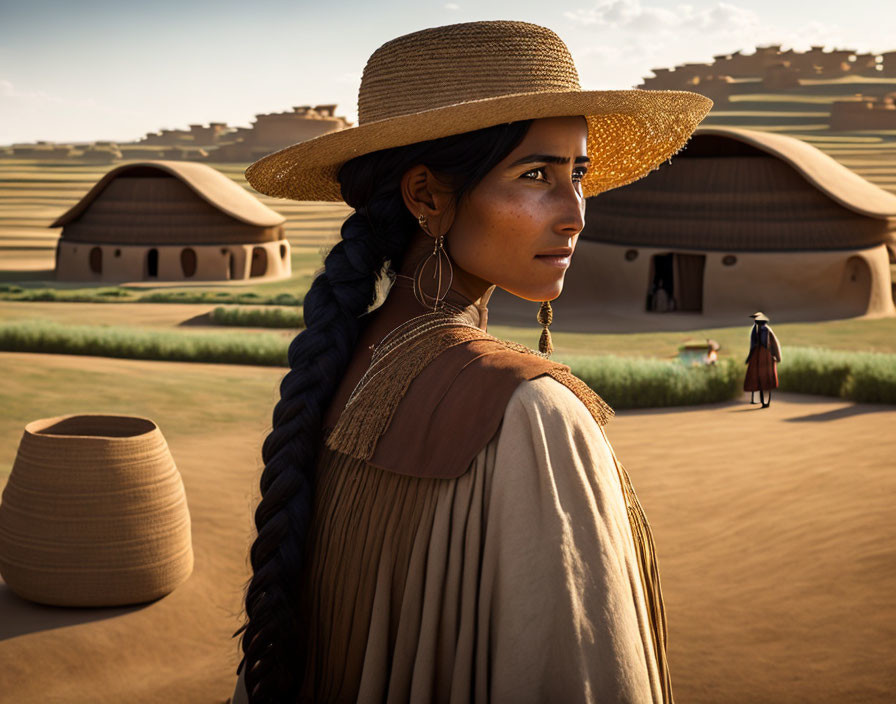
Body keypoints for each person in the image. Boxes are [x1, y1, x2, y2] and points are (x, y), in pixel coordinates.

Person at [231, 20, 711, 704]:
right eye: (537, 174)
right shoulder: (531, 415)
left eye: (579, 174)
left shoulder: (337, 363)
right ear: (426, 197)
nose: (575, 212)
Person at [744, 311, 782, 408]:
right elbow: (753, 345)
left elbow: (774, 344)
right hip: (757, 356)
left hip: (766, 356)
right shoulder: (755, 330)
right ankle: (759, 401)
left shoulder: (767, 330)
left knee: (765, 381)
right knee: (757, 379)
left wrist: (777, 356)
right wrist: (749, 357)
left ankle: (766, 402)